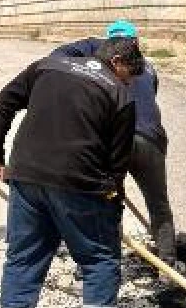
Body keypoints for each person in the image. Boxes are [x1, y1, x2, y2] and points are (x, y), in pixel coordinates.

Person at [0, 34, 142, 308]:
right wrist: (113, 201)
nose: (130, 81)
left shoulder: (47, 66)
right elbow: (117, 163)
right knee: (99, 255)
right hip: (79, 183)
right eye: (130, 73)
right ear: (116, 63)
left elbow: (2, 103)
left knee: (24, 254)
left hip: (25, 176)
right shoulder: (119, 95)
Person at [52, 19, 179, 266]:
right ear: (136, 44)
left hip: (116, 141)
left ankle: (102, 261)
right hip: (150, 140)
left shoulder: (100, 69)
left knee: (107, 199)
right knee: (158, 201)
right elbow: (148, 100)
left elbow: (59, 56)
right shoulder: (149, 68)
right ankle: (168, 260)